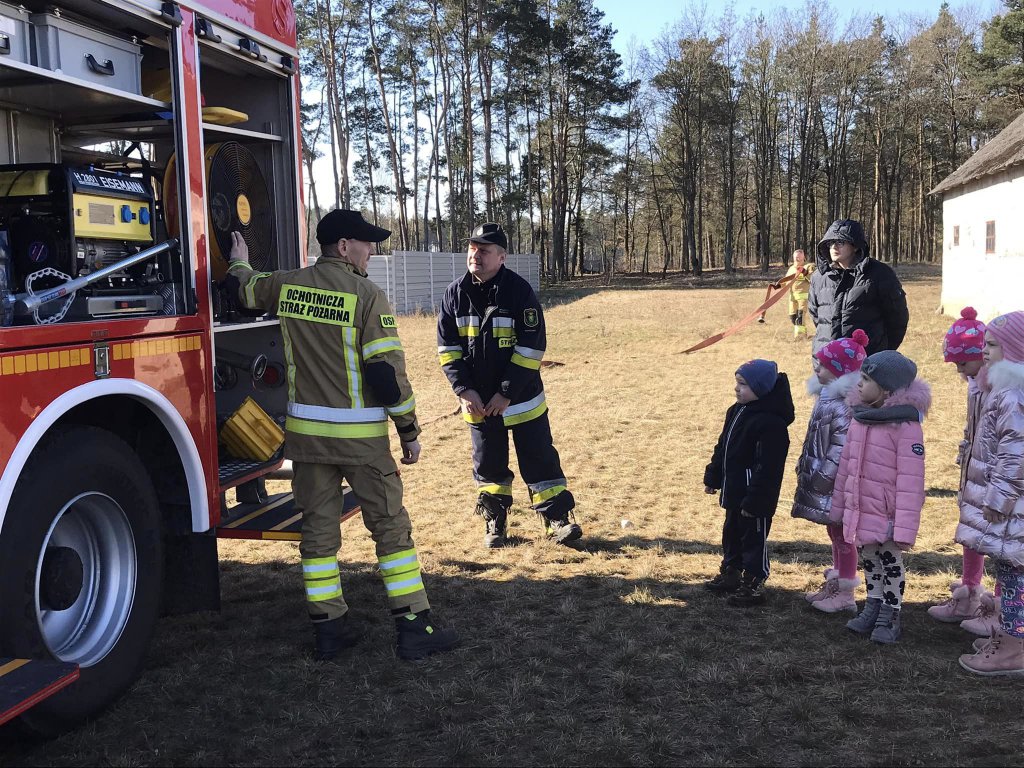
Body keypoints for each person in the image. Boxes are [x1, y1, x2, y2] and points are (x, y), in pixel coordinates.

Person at [225, 210, 458, 662]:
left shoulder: (289, 285)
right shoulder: (367, 295)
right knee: (390, 528)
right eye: (367, 243)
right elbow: (387, 374)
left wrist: (238, 260)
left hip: (307, 443)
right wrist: (408, 429)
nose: (373, 251)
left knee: (317, 534)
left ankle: (329, 631)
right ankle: (414, 626)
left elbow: (245, 288)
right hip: (361, 442)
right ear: (345, 246)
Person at [437, 222, 581, 548]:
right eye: (472, 248)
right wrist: (464, 390)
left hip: (522, 399)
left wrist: (506, 392)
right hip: (479, 403)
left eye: (484, 250)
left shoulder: (519, 292)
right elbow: (448, 350)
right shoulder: (454, 295)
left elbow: (531, 348)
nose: (476, 254)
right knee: (489, 467)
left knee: (540, 459)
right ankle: (495, 524)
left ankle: (556, 520)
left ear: (501, 257)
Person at [834, 351, 929, 644]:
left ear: (887, 389)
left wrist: (903, 527)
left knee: (889, 561)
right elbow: (846, 467)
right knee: (871, 560)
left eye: (866, 379)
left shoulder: (906, 426)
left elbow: (912, 481)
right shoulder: (860, 418)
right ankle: (872, 604)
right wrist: (840, 508)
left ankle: (891, 611)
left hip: (888, 513)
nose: (859, 384)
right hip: (863, 507)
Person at [955, 311, 1024, 676]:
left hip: (1011, 508)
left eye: (993, 345)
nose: (984, 351)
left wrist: (998, 501)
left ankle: (1014, 647)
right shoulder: (1005, 389)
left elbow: (1016, 453)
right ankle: (1012, 637)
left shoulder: (1012, 395)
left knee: (1015, 575)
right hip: (1011, 505)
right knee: (1011, 570)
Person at [703, 359, 794, 607]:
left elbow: (769, 468)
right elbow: (723, 446)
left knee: (753, 539)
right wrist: (713, 475)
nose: (736, 388)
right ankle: (731, 572)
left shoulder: (772, 424)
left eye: (742, 384)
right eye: (736, 382)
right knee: (731, 533)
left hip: (755, 498)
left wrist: (756, 501)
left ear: (761, 388)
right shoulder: (736, 411)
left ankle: (754, 582)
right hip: (734, 491)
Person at [792, 330, 869, 613]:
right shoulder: (826, 396)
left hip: (837, 480)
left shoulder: (846, 405)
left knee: (844, 534)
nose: (817, 368)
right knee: (833, 531)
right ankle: (836, 581)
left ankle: (846, 593)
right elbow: (816, 436)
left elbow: (841, 448)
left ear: (840, 372)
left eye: (823, 365)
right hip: (823, 475)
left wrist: (824, 475)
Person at [928, 308, 992, 626]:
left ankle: (1003, 613)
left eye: (962, 363)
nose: (959, 372)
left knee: (1001, 543)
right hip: (976, 469)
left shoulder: (1000, 389)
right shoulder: (975, 383)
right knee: (970, 531)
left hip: (996, 477)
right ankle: (969, 593)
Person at [807, 219, 909, 357]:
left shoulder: (880, 274)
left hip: (866, 362)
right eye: (831, 243)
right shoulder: (819, 277)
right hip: (827, 363)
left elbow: (897, 318)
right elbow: (817, 317)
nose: (834, 247)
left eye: (840, 242)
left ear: (855, 246)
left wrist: (880, 352)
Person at [786, 249, 815, 338]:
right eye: (795, 257)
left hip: (804, 297)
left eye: (799, 257)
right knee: (792, 317)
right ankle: (802, 332)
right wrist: (777, 286)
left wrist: (804, 272)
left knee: (800, 316)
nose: (797, 259)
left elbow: (813, 278)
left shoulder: (809, 266)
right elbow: (786, 281)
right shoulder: (791, 269)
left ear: (803, 257)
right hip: (792, 298)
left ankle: (800, 336)